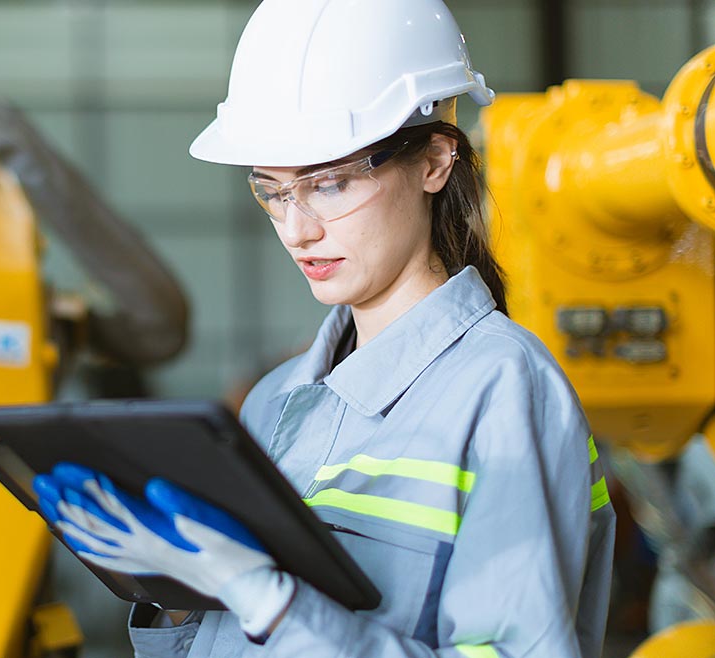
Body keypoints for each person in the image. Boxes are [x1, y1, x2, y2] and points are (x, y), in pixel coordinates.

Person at [33, 0, 616, 656]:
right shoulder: (272, 402)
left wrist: (270, 602)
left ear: (434, 162)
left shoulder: (504, 393)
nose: (296, 230)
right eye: (273, 191)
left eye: (330, 185)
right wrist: (178, 600)